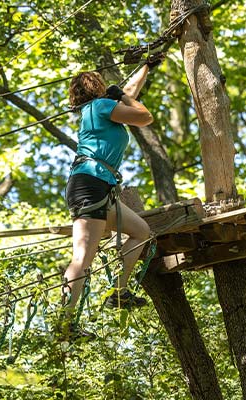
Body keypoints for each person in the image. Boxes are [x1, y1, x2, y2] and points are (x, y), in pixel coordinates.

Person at [61, 63, 155, 337]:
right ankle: (64, 324)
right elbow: (144, 116)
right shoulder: (102, 106)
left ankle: (118, 291)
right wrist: (124, 97)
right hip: (90, 185)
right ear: (97, 89)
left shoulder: (97, 110)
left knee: (141, 232)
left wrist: (146, 65)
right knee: (81, 258)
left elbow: (128, 90)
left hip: (99, 186)